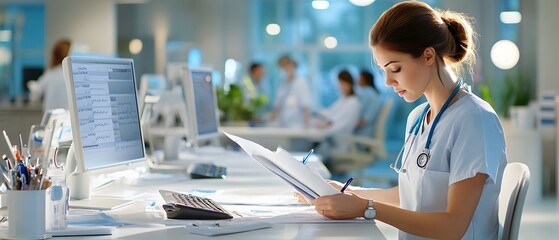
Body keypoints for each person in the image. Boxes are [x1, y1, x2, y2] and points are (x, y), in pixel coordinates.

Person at [298, 2, 507, 239]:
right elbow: (411, 195)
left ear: (428, 55)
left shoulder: (474, 119)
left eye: (395, 69)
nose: (388, 81)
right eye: (383, 71)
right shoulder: (418, 118)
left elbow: (453, 226)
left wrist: (365, 208)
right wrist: (349, 194)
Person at [314, 70, 361, 153]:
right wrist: (316, 110)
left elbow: (340, 124)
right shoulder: (344, 98)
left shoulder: (353, 102)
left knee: (315, 147)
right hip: (334, 138)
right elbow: (331, 113)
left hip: (339, 141)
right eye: (339, 83)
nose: (340, 86)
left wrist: (325, 126)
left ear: (349, 83)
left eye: (342, 83)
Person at [269, 55, 312, 128]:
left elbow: (306, 105)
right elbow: (277, 106)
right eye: (282, 67)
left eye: (286, 66)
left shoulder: (301, 82)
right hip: (282, 125)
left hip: (297, 125)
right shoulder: (282, 85)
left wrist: (306, 125)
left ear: (292, 66)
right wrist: (270, 119)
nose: (285, 69)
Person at [29, 39, 71, 111]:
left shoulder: (50, 74)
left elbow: (35, 95)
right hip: (67, 116)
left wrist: (31, 85)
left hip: (51, 117)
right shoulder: (70, 73)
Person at [354, 70, 382, 137]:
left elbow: (364, 120)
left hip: (363, 133)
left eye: (359, 77)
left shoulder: (368, 93)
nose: (357, 80)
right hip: (367, 130)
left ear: (364, 80)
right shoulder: (373, 93)